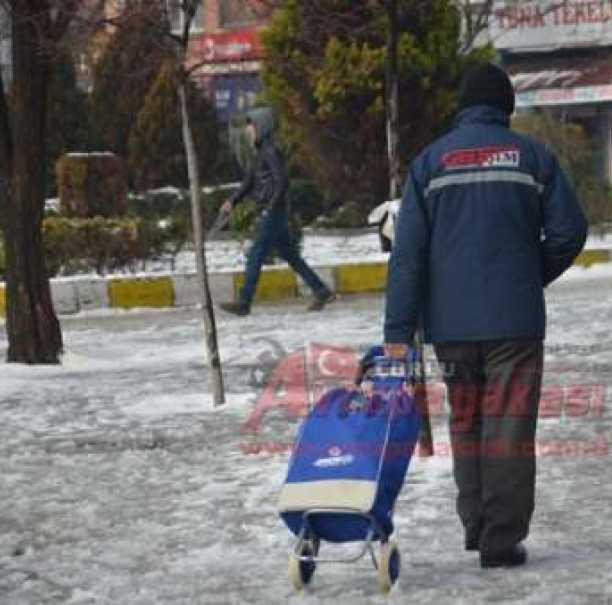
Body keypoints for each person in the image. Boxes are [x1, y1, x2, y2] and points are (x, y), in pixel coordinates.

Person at [382, 63, 588, 569]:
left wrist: (397, 333)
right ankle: (501, 538)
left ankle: (476, 523)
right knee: (509, 429)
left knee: (468, 421)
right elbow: (569, 231)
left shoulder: (428, 165)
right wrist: (526, 273)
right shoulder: (533, 158)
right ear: (506, 106)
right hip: (515, 324)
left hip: (451, 328)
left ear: (460, 107)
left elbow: (407, 256)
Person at [217, 108, 334, 316]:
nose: (248, 131)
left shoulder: (271, 152)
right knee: (290, 256)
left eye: (251, 126)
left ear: (261, 127)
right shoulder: (261, 153)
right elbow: (250, 182)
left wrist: (270, 208)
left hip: (272, 212)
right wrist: (232, 201)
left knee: (255, 255)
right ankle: (321, 290)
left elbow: (282, 182)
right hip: (272, 211)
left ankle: (244, 302)